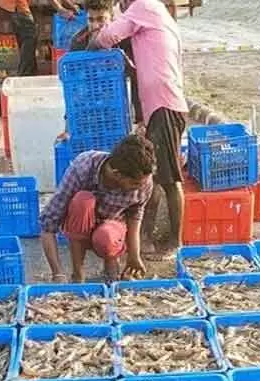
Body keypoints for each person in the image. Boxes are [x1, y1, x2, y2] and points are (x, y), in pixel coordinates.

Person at [90, 0, 187, 258]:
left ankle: (174, 243)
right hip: (160, 104)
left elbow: (109, 35)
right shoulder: (155, 11)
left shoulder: (144, 6)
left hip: (164, 103)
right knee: (152, 176)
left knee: (168, 178)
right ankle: (145, 238)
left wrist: (90, 46)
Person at [38, 134, 155, 282]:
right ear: (117, 174)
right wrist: (57, 273)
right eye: (135, 184)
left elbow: (135, 215)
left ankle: (111, 266)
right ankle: (78, 273)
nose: (141, 187)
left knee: (106, 236)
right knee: (82, 201)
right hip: (80, 226)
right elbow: (48, 224)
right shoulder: (83, 167)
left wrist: (134, 256)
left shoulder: (143, 179)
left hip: (112, 228)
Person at [0, 0, 78, 77]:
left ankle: (29, 74)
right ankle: (25, 75)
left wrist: (71, 6)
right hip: (19, 7)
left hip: (14, 8)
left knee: (26, 41)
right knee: (29, 40)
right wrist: (61, 9)